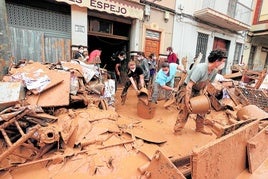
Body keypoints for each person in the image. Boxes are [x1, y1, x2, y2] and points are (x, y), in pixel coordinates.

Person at [173, 49, 227, 135]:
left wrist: (203, 94)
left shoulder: (214, 71)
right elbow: (189, 85)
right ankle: (177, 129)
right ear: (217, 61)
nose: (223, 64)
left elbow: (207, 83)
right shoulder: (200, 69)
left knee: (203, 108)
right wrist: (187, 101)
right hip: (187, 88)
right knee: (186, 108)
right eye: (222, 61)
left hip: (199, 89)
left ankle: (199, 127)